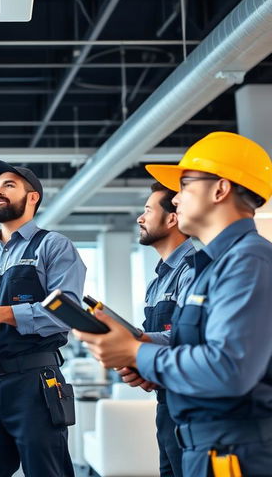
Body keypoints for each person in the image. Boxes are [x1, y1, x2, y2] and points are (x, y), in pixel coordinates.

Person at [75, 131, 272, 476]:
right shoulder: (218, 265)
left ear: (220, 189)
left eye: (184, 185)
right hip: (205, 446)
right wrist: (143, 343)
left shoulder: (249, 261)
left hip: (235, 454)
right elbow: (201, 342)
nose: (176, 200)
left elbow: (228, 369)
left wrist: (137, 354)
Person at [0, 160, 86, 477]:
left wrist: (2, 313)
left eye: (8, 185)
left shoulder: (53, 246)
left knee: (46, 471)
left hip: (35, 382)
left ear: (33, 197)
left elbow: (68, 312)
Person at [119, 182, 195, 477]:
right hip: (165, 404)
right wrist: (141, 365)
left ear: (172, 218)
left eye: (148, 210)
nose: (140, 218)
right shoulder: (157, 281)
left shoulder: (194, 270)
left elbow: (188, 338)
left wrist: (132, 342)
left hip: (191, 405)